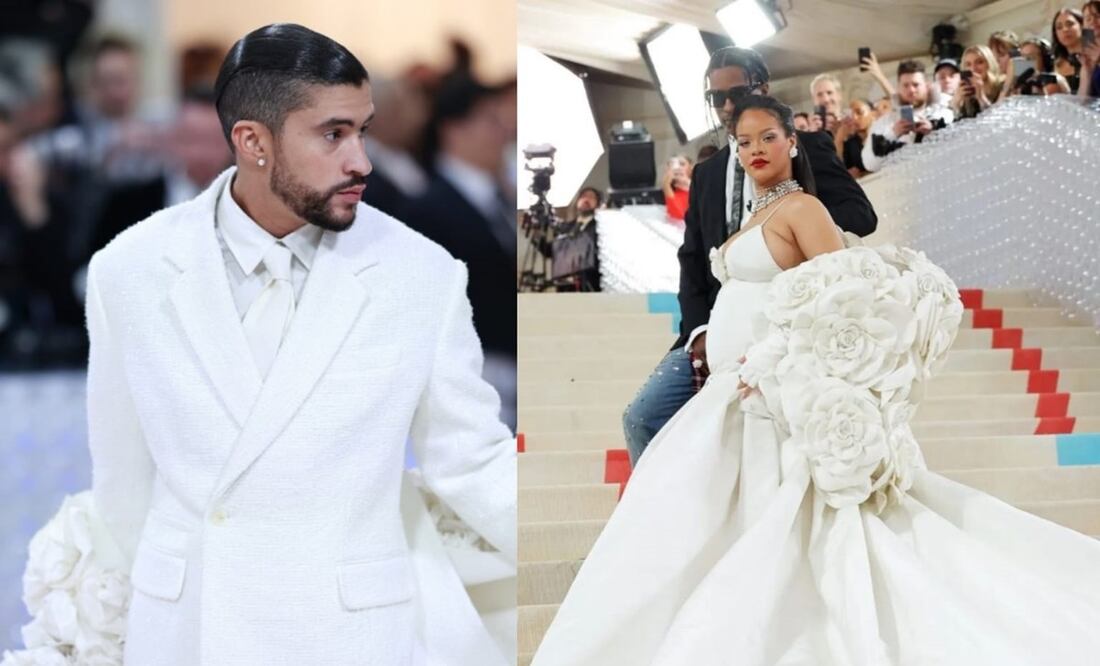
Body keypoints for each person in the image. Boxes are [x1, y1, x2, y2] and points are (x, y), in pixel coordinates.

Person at [530, 95, 1100, 666]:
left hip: (770, 388)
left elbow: (842, 300)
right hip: (734, 383)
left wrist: (770, 359)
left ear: (791, 142)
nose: (755, 149)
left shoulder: (803, 208)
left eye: (766, 138)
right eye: (744, 141)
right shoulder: (757, 213)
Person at [80, 24, 515, 665]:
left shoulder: (422, 273)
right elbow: (122, 482)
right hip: (187, 630)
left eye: (363, 131)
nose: (361, 160)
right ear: (252, 142)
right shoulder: (129, 269)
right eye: (333, 134)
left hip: (351, 632)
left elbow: (470, 459)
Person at [620, 46, 877, 464]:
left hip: (782, 337)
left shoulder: (805, 149)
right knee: (643, 417)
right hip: (711, 335)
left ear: (763, 87)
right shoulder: (706, 171)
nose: (725, 105)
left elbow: (860, 215)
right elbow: (692, 262)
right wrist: (699, 331)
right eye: (714, 97)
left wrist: (792, 226)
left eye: (735, 91)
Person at [862, 60, 954, 173]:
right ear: (898, 88)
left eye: (916, 85)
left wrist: (933, 131)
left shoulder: (944, 113)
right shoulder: (883, 123)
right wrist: (892, 135)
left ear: (926, 85)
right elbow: (870, 165)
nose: (911, 90)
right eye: (906, 85)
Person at [952, 45, 1005, 119]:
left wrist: (981, 97)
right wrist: (957, 104)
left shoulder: (1002, 86)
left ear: (989, 63)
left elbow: (997, 120)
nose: (973, 68)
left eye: (979, 62)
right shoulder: (967, 92)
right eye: (968, 64)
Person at [832, 98, 875, 178]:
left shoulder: (884, 133)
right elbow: (840, 171)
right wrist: (839, 139)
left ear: (872, 113)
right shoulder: (851, 144)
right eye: (852, 115)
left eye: (859, 112)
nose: (855, 118)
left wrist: (864, 174)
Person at [1053, 7, 1087, 92]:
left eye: (1070, 24)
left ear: (1082, 25)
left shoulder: (1095, 57)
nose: (1065, 30)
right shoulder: (1054, 66)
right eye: (1059, 27)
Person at [1079, 1, 1100, 97]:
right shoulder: (1088, 56)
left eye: (1097, 16)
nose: (1093, 21)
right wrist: (1087, 73)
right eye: (1088, 19)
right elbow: (1082, 101)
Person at [662, 154, 692, 221]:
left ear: (691, 167)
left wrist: (688, 182)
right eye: (673, 165)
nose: (678, 168)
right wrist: (666, 183)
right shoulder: (672, 193)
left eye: (682, 164)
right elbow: (680, 214)